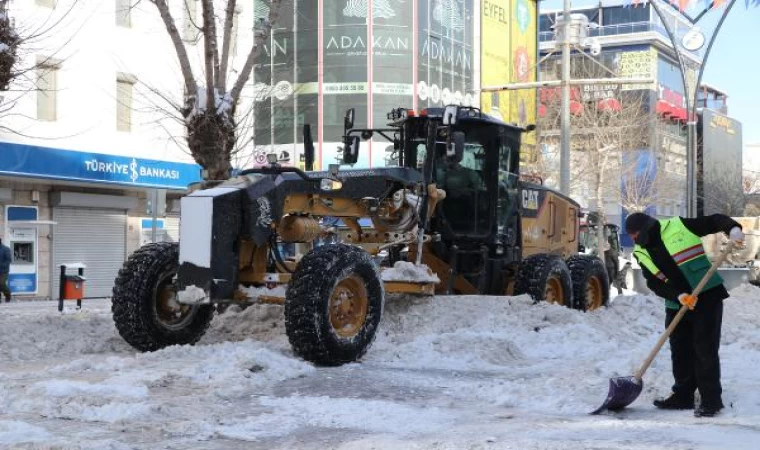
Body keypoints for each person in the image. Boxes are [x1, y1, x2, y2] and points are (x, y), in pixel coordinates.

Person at [625, 212, 744, 418]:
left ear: (646, 228)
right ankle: (683, 396)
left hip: (705, 294)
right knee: (680, 351)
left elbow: (713, 221)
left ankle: (711, 400)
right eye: (631, 236)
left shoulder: (678, 226)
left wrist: (732, 228)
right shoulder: (640, 252)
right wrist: (678, 295)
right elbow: (654, 282)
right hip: (676, 302)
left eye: (635, 234)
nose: (634, 239)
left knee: (704, 348)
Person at [0, 237, 11, 303]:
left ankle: (7, 294)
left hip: (3, 271)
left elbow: (8, 260)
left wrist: (1, 265)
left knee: (2, 283)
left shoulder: (5, 249)